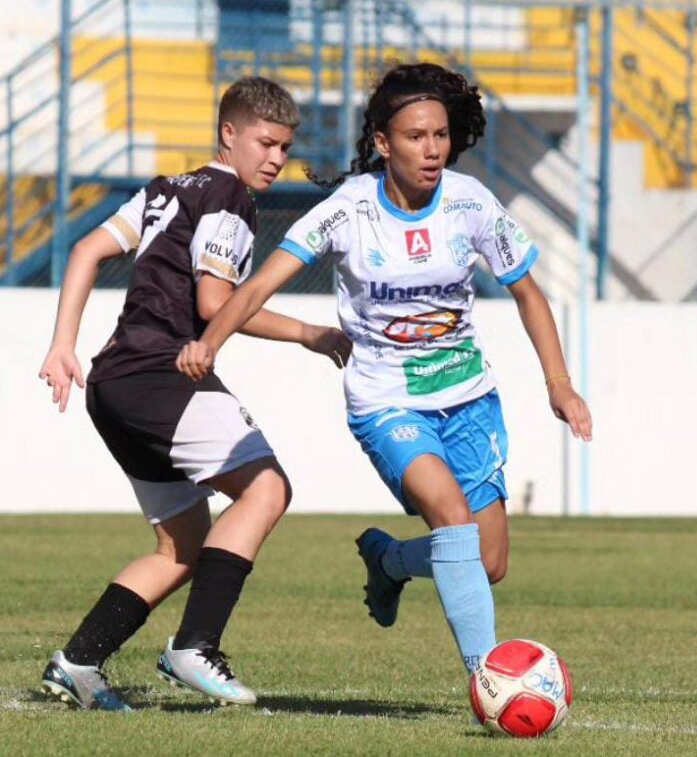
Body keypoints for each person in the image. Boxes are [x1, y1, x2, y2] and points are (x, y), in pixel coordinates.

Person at [175, 63, 592, 680]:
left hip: (469, 399)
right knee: (452, 522)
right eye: (416, 137)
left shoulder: (471, 202)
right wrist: (210, 340)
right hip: (387, 403)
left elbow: (529, 294)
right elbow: (259, 283)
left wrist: (559, 383)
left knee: (489, 560)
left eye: (441, 135)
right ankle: (490, 680)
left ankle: (392, 560)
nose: (432, 150)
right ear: (382, 143)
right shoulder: (349, 211)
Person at [38, 76, 351, 711]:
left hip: (112, 382)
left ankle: (78, 661)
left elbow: (85, 250)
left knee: (181, 543)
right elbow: (216, 304)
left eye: (285, 148)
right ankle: (194, 646)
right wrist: (307, 333)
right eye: (265, 142)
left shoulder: (164, 190)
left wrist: (62, 343)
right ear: (228, 133)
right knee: (268, 488)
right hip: (160, 374)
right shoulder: (229, 194)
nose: (275, 159)